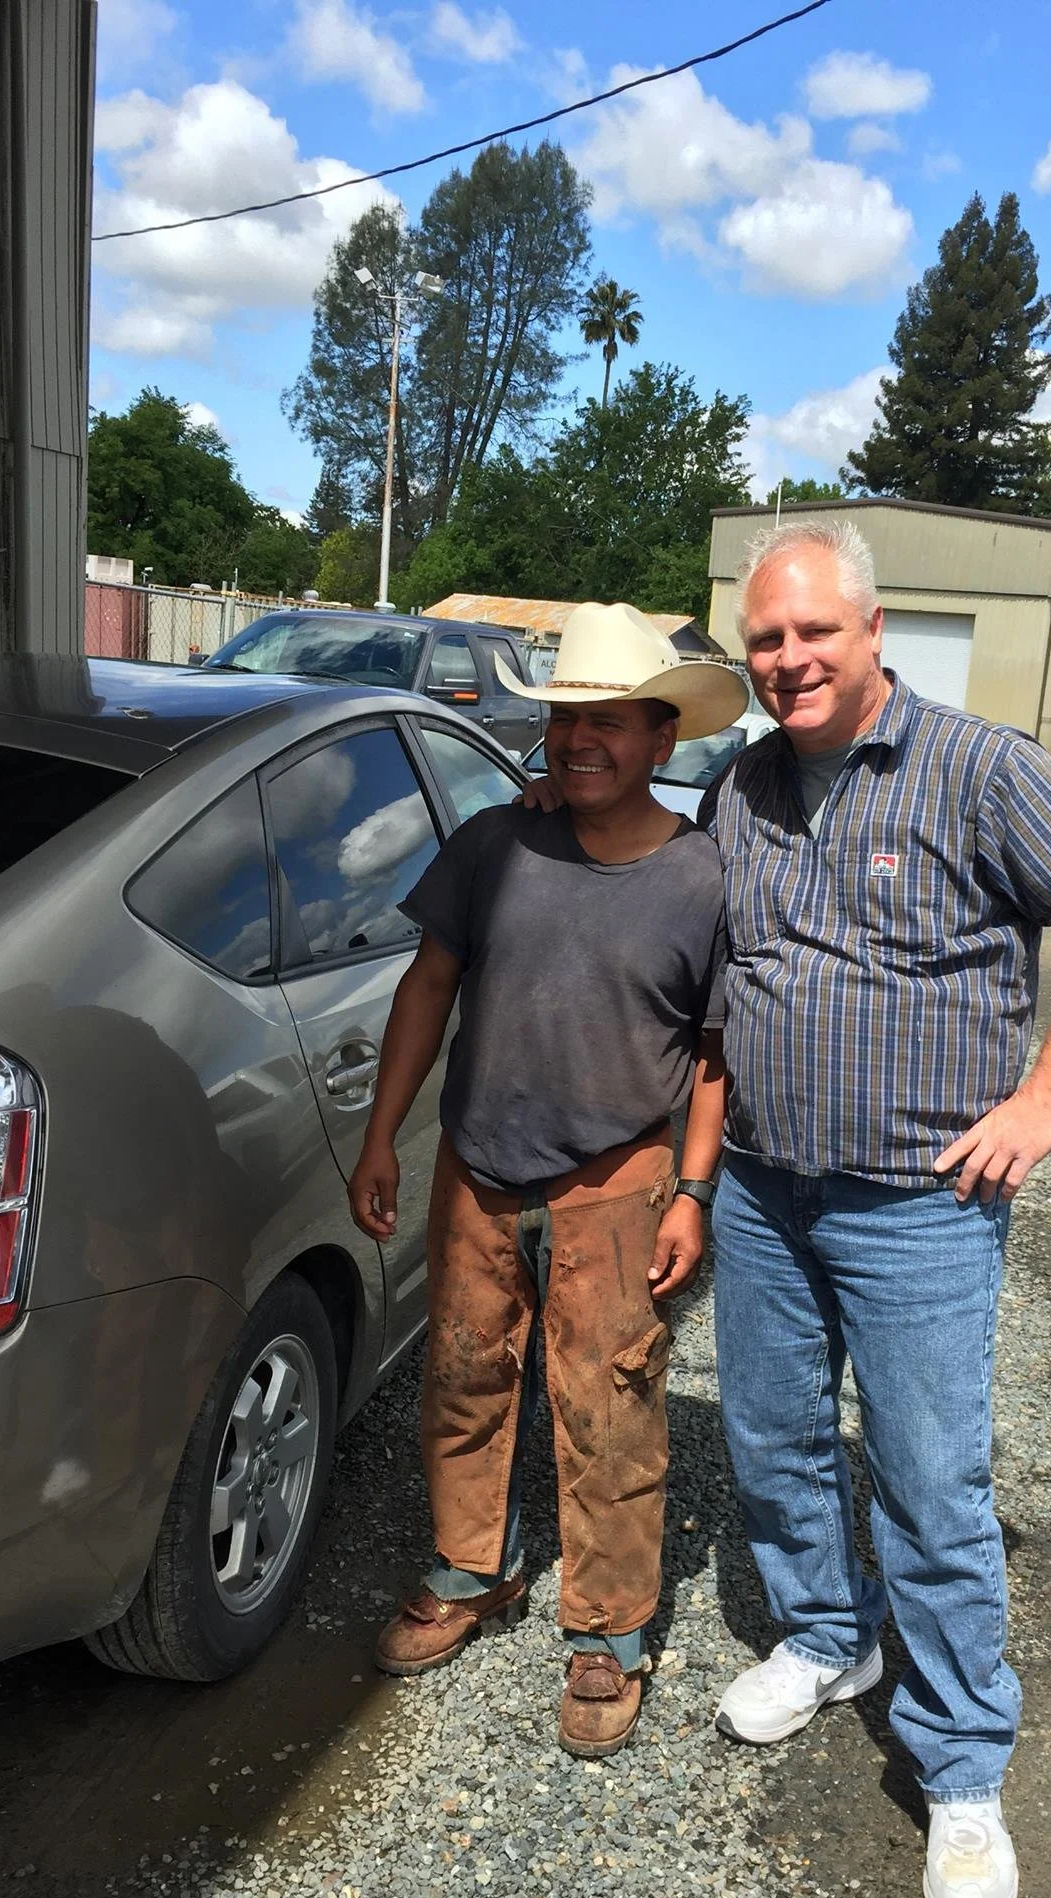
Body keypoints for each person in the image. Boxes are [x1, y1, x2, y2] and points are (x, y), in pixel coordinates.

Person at [703, 520, 1051, 1898]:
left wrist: (1046, 1099)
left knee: (929, 1482)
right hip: (766, 1193)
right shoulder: (743, 782)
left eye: (812, 635)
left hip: (922, 1206)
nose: (789, 662)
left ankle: (963, 1768)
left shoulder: (981, 770)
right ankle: (827, 1634)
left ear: (873, 628)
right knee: (771, 1437)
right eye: (766, 641)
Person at [348, 602, 745, 1758]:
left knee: (609, 1404)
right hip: (478, 1168)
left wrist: (693, 1192)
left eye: (608, 722)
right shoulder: (493, 842)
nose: (579, 741)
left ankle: (610, 1631)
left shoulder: (700, 878)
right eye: (566, 719)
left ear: (660, 738)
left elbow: (715, 1056)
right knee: (465, 1373)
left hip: (618, 1181)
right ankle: (477, 1565)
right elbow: (426, 988)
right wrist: (384, 1136)